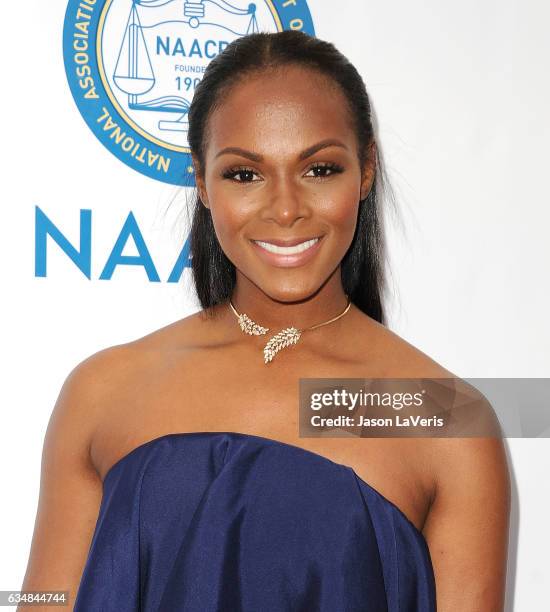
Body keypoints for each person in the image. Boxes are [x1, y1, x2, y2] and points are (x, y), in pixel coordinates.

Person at [20, 31, 510, 611]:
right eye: (244, 174)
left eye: (320, 169)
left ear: (367, 171)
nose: (284, 208)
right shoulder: (100, 392)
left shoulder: (447, 421)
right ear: (201, 182)